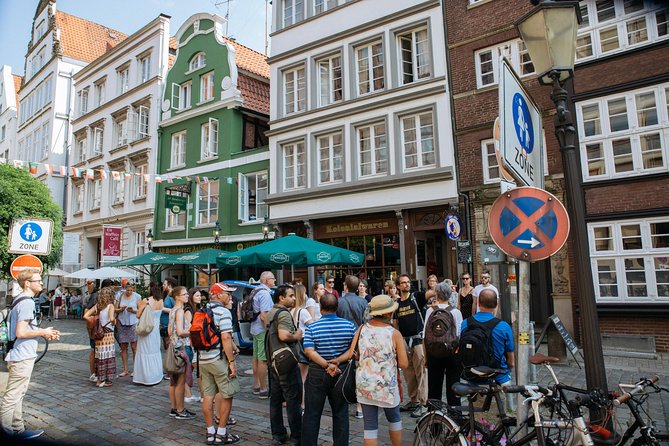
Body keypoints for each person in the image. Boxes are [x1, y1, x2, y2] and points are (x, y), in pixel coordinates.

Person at [0, 269, 60, 439]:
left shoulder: (21, 300)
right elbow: (21, 332)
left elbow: (25, 328)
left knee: (18, 394)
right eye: (38, 280)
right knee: (12, 396)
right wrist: (42, 332)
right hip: (22, 355)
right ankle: (7, 432)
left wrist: (43, 331)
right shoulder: (26, 302)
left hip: (19, 354)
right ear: (27, 283)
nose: (41, 283)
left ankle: (18, 429)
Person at [345, 295, 408, 446]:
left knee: (370, 427)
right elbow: (404, 364)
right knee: (394, 420)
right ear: (387, 313)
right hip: (387, 386)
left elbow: (351, 354)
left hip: (365, 384)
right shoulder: (394, 333)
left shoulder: (361, 329)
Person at [301, 293, 357, 446]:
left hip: (318, 372)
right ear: (337, 307)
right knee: (340, 413)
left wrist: (326, 365)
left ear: (320, 307)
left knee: (312, 413)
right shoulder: (349, 325)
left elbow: (309, 351)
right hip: (341, 372)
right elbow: (352, 351)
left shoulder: (312, 327)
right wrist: (337, 361)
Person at [199, 282, 241, 445]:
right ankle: (221, 433)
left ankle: (210, 432)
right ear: (216, 295)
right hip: (218, 359)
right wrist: (231, 362)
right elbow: (225, 337)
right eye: (227, 294)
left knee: (208, 396)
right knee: (227, 394)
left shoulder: (201, 311)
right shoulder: (223, 312)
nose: (229, 297)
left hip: (204, 359)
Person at [265, 285, 303, 446]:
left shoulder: (271, 312)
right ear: (281, 298)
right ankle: (296, 436)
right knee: (293, 400)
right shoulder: (284, 314)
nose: (294, 298)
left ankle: (278, 435)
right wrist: (297, 335)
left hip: (273, 361)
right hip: (286, 362)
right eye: (291, 296)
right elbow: (283, 335)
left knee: (275, 400)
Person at [461, 288, 514, 385]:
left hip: (472, 376)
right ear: (496, 305)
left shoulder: (465, 323)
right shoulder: (503, 326)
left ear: (478, 304)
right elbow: (511, 361)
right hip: (498, 377)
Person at [423, 282, 463, 407]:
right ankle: (455, 418)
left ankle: (435, 422)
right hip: (452, 352)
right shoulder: (456, 312)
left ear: (436, 295)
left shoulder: (430, 310)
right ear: (450, 295)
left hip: (433, 352)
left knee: (434, 389)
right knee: (454, 388)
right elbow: (459, 335)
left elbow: (425, 335)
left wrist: (426, 356)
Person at [394, 273, 428, 418]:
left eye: (408, 282)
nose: (406, 284)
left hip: (418, 340)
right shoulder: (396, 304)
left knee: (421, 371)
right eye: (403, 283)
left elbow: (431, 292)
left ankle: (423, 403)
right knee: (409, 373)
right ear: (398, 286)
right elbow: (395, 324)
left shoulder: (417, 297)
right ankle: (413, 400)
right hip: (404, 341)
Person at [335, 274, 367, 418]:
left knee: (342, 368)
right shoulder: (363, 302)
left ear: (346, 287)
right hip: (360, 340)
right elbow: (367, 322)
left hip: (342, 340)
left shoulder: (339, 302)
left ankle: (341, 398)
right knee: (359, 370)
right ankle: (360, 406)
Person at [168, 286, 195, 420]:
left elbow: (169, 331)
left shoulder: (172, 310)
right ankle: (180, 409)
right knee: (180, 381)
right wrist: (193, 330)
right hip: (182, 348)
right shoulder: (180, 311)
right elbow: (180, 331)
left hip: (173, 347)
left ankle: (174, 408)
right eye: (184, 294)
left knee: (173, 381)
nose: (186, 296)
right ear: (177, 296)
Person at [84, 287, 117, 388]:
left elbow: (85, 316)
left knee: (100, 356)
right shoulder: (111, 306)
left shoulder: (98, 305)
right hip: (108, 334)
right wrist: (115, 320)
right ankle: (104, 380)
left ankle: (99, 378)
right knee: (107, 356)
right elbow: (111, 319)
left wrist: (95, 320)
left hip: (99, 334)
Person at [133, 282, 164, 386]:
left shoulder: (146, 300)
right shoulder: (161, 301)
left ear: (150, 289)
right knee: (154, 351)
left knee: (144, 350)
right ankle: (156, 375)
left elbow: (137, 315)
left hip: (146, 328)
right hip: (155, 330)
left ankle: (145, 378)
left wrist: (139, 307)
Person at [251, 271, 275, 399]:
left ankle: (256, 385)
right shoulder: (265, 294)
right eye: (273, 278)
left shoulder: (255, 290)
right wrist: (268, 329)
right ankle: (263, 388)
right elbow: (264, 315)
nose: (275, 280)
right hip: (261, 330)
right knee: (263, 359)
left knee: (255, 357)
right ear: (267, 281)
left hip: (254, 328)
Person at [291, 284, 313, 411]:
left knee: (297, 375)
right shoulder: (302, 311)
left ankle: (297, 401)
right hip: (303, 343)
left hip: (294, 344)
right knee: (304, 376)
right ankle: (304, 403)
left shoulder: (291, 311)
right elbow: (312, 326)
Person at [115, 281, 141, 377]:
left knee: (134, 347)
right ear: (124, 288)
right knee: (123, 347)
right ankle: (125, 369)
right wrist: (120, 310)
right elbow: (114, 309)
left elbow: (141, 310)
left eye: (131, 290)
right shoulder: (119, 296)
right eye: (127, 290)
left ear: (133, 289)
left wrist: (133, 310)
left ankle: (135, 369)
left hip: (133, 323)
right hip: (122, 323)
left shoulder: (137, 296)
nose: (129, 292)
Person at [184, 288, 203, 403]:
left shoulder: (198, 309)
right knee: (196, 369)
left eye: (200, 295)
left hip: (196, 341)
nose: (199, 297)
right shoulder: (189, 310)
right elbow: (189, 328)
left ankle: (188, 393)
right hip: (192, 342)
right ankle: (198, 394)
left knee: (191, 369)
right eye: (197, 296)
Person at [160, 278, 178, 352]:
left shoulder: (172, 296)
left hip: (169, 326)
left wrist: (162, 308)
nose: (163, 286)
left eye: (164, 284)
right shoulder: (167, 295)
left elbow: (176, 310)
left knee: (169, 349)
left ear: (169, 285)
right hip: (165, 326)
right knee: (166, 348)